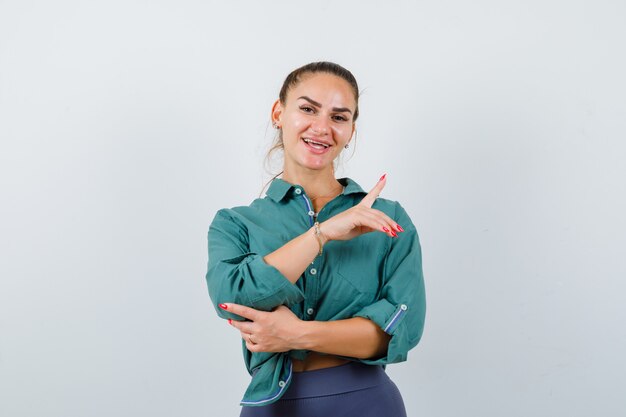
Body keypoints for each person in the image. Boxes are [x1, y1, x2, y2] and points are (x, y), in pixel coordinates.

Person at [205, 61, 426, 417]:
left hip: (367, 403)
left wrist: (295, 335)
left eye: (339, 117)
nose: (322, 128)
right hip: (271, 406)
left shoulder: (387, 219)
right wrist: (322, 234)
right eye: (308, 109)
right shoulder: (235, 223)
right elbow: (232, 298)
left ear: (351, 130)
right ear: (279, 112)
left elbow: (401, 330)